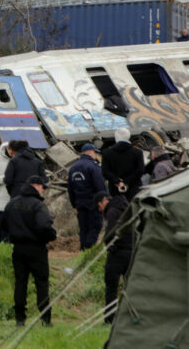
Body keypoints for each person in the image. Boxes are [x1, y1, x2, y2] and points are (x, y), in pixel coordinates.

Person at [5, 175, 57, 326]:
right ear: (36, 186)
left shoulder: (12, 203)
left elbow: (4, 223)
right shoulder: (38, 205)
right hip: (37, 249)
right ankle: (45, 319)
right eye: (42, 187)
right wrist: (51, 236)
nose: (43, 191)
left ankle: (19, 318)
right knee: (42, 283)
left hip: (18, 248)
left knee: (20, 283)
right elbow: (44, 226)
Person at [95, 191, 133, 323]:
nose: (100, 210)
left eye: (99, 206)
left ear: (103, 201)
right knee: (131, 287)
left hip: (117, 252)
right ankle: (131, 317)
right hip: (132, 251)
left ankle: (110, 319)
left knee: (111, 287)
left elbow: (110, 232)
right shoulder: (128, 207)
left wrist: (108, 244)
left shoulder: (112, 211)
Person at [66, 144, 106, 250]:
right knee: (95, 226)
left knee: (83, 228)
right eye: (95, 153)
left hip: (79, 202)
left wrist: (74, 204)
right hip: (93, 202)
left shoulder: (73, 168)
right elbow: (100, 185)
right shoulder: (93, 166)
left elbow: (70, 188)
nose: (96, 155)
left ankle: (83, 249)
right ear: (90, 152)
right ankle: (89, 249)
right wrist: (104, 199)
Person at [102, 128, 145, 200]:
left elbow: (105, 171)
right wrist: (126, 181)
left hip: (115, 190)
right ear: (129, 137)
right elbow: (140, 170)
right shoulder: (137, 152)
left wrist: (117, 181)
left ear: (116, 138)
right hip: (134, 189)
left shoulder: (107, 153)